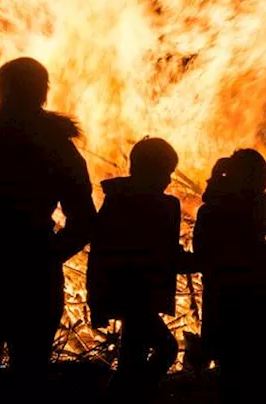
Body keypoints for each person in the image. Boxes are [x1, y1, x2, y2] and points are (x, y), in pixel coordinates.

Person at [0, 57, 96, 389]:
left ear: (0, 91)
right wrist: (51, 253)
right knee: (30, 374)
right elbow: (83, 218)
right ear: (43, 92)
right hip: (34, 272)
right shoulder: (58, 147)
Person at [194, 149, 266, 401]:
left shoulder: (213, 210)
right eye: (260, 186)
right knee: (260, 376)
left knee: (235, 382)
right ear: (246, 181)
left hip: (224, 316)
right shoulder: (236, 214)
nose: (264, 193)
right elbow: (251, 269)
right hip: (247, 323)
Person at [87, 137, 190, 400]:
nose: (168, 179)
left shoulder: (167, 206)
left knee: (131, 360)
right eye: (165, 172)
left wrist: (196, 261)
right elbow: (100, 253)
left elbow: (168, 253)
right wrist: (96, 301)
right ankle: (137, 395)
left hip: (146, 297)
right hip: (131, 295)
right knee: (165, 348)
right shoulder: (120, 202)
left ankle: (129, 396)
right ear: (146, 170)